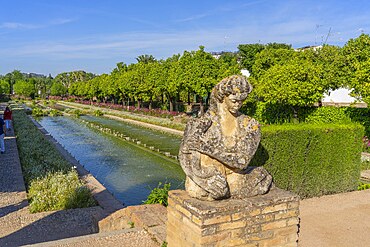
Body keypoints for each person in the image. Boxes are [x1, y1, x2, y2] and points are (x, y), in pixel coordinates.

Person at [179, 75, 272, 200]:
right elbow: (185, 154)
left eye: (242, 101)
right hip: (207, 176)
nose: (238, 105)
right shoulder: (204, 122)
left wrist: (206, 148)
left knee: (259, 177)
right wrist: (203, 177)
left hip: (235, 175)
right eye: (234, 101)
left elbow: (241, 162)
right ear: (223, 98)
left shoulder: (250, 125)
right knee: (201, 189)